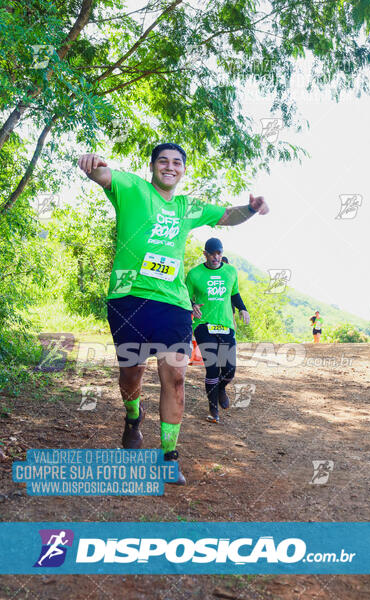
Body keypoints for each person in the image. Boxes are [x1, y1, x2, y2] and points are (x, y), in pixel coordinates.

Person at [78, 144, 269, 484]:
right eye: (163, 161)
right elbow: (103, 175)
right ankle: (133, 417)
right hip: (128, 299)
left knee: (176, 378)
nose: (170, 166)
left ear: (183, 170)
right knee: (131, 376)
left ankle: (169, 457)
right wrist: (92, 165)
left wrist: (251, 209)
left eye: (177, 162)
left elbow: (228, 215)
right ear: (152, 166)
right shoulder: (133, 188)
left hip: (174, 303)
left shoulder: (188, 206)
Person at [186, 238, 250, 423]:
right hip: (203, 325)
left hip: (226, 325)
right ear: (205, 253)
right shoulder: (194, 274)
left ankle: (221, 389)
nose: (216, 257)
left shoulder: (230, 272)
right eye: (212, 253)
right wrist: (191, 305)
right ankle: (213, 410)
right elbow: (184, 295)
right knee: (212, 368)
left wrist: (243, 308)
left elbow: (234, 293)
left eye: (219, 253)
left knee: (229, 370)